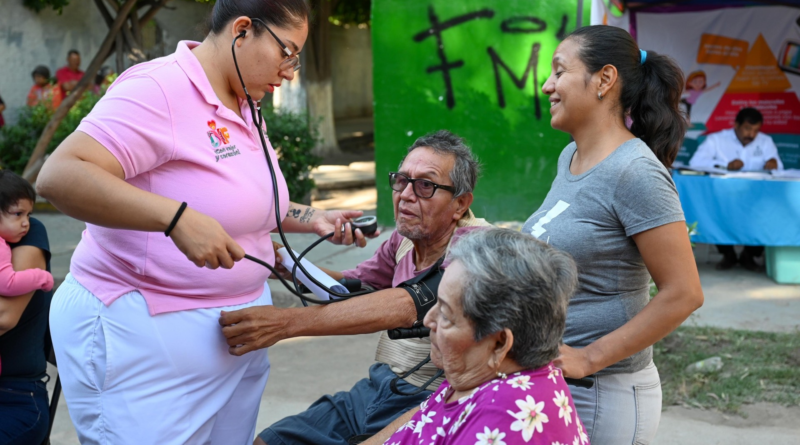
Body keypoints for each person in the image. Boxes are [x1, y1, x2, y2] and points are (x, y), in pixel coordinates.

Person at [36, 1, 375, 443]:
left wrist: (314, 218)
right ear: (242, 30)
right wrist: (174, 219)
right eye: (286, 53)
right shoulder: (159, 89)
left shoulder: (243, 98)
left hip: (233, 340)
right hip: (144, 340)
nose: (290, 71)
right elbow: (60, 176)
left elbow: (244, 201)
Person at [219, 130, 488, 445]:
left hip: (430, 398)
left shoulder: (478, 246)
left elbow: (408, 304)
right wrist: (280, 260)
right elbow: (350, 289)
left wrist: (285, 323)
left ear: (460, 204)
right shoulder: (403, 240)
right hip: (377, 386)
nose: (406, 195)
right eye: (401, 181)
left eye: (425, 186)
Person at [524, 25, 704, 445]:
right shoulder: (570, 155)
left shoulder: (635, 172)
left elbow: (684, 293)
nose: (547, 85)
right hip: (558, 385)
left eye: (559, 71)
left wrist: (589, 358)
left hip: (603, 395)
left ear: (604, 79)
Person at [365, 228, 586, 445]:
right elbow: (424, 417)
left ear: (499, 344)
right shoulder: (486, 373)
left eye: (446, 314)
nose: (428, 321)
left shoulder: (502, 425)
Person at [688, 107, 782, 271]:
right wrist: (726, 165)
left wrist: (774, 163)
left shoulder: (765, 141)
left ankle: (749, 255)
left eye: (756, 130)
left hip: (755, 200)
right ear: (736, 125)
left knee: (769, 214)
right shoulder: (716, 139)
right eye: (747, 128)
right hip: (725, 197)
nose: (751, 135)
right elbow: (694, 163)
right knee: (714, 213)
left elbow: (779, 169)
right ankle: (728, 254)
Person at [0, 178, 55, 445]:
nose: (25, 220)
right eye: (19, 214)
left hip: (15, 396)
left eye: (27, 214)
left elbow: (3, 317)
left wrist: (40, 277)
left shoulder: (29, 232)